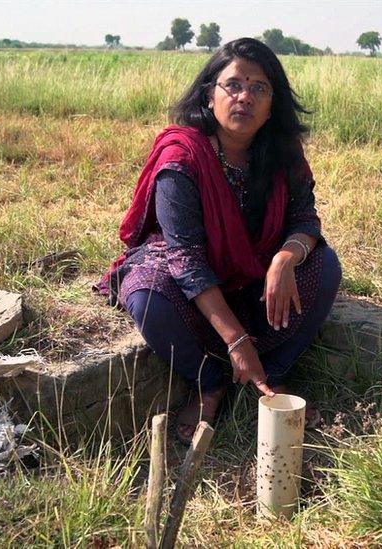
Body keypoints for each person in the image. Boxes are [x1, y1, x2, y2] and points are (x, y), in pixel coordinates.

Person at [96, 37, 341, 444]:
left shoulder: (281, 151)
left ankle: (273, 371)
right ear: (210, 95)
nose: (244, 97)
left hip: (257, 271)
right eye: (234, 85)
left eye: (259, 88)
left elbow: (304, 218)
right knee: (146, 295)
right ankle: (210, 382)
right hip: (192, 272)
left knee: (324, 266)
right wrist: (236, 339)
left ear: (271, 106)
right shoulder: (183, 157)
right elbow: (186, 259)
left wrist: (284, 258)